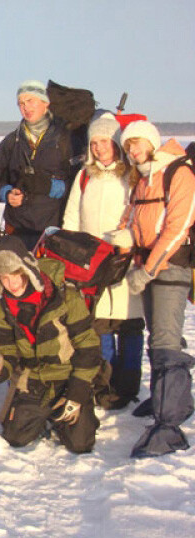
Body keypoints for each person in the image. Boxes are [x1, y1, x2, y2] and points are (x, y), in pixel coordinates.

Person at [113, 120, 195, 457]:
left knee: (165, 341)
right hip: (146, 266)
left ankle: (169, 426)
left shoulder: (179, 173)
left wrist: (148, 270)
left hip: (170, 268)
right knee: (158, 336)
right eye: (128, 146)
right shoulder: (143, 179)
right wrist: (120, 239)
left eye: (137, 143)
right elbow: (132, 219)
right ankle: (164, 397)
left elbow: (177, 227)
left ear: (152, 142)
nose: (133, 150)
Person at [0, 235, 101, 453]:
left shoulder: (65, 298)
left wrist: (77, 392)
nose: (11, 284)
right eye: (4, 278)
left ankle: (78, 407)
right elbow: (7, 351)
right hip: (33, 380)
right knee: (15, 437)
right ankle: (46, 415)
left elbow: (88, 346)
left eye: (15, 275)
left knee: (80, 444)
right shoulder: (2, 309)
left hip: (68, 378)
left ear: (26, 270)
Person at [62, 113, 144, 410]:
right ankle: (104, 384)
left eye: (104, 141)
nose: (98, 148)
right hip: (91, 263)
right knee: (98, 325)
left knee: (130, 324)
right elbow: (72, 216)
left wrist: (127, 242)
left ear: (116, 143)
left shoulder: (131, 175)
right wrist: (72, 250)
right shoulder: (85, 176)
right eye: (94, 142)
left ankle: (128, 383)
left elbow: (141, 214)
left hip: (125, 260)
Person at [0, 80, 74, 250]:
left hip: (52, 230)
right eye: (21, 103)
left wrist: (51, 187)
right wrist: (7, 193)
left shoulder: (65, 139)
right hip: (16, 230)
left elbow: (79, 183)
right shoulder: (12, 141)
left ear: (45, 103)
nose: (26, 107)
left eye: (31, 100)